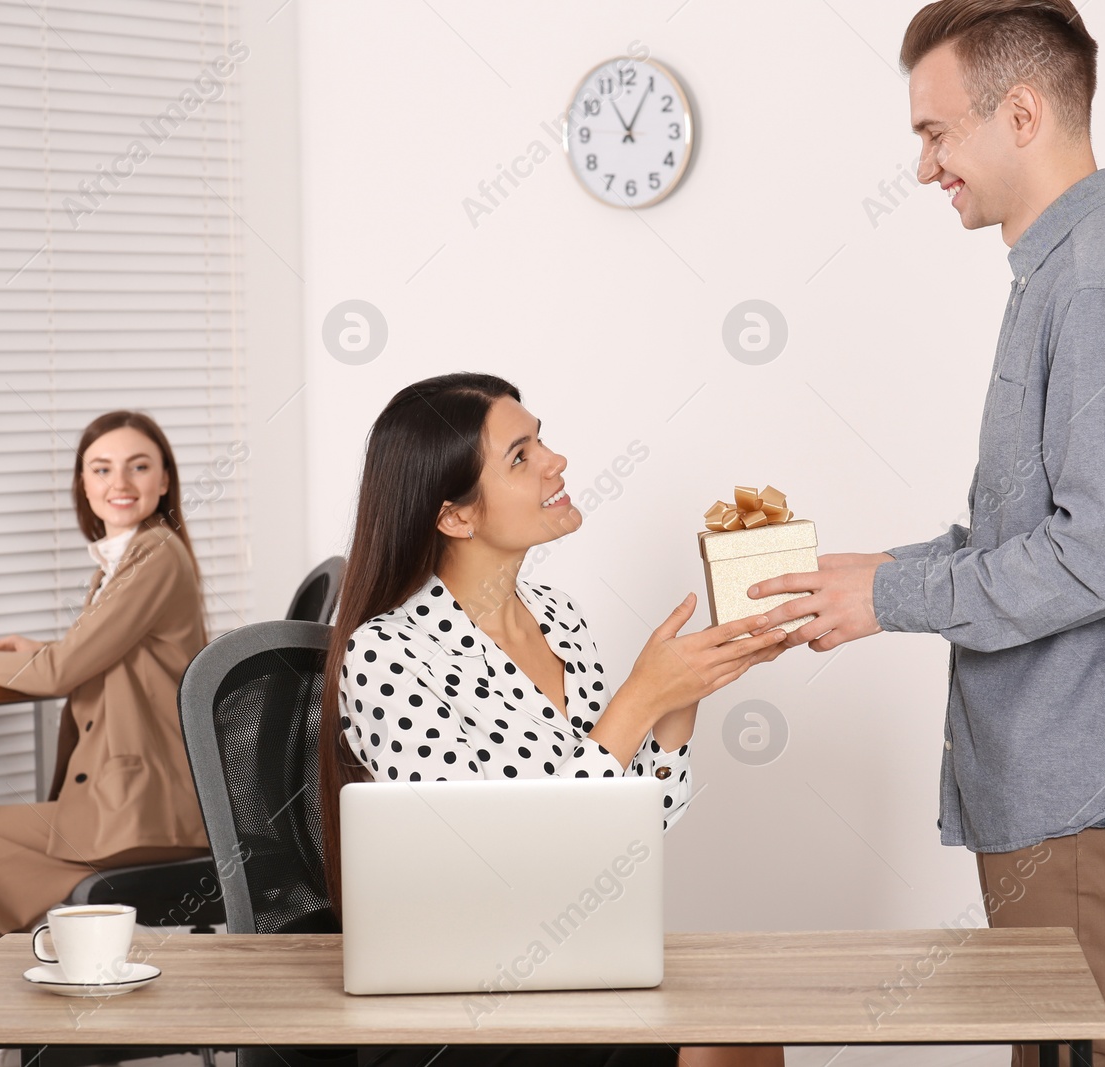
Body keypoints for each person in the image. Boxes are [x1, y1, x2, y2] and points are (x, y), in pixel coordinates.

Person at [751, 3, 1105, 1065]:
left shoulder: (1100, 287)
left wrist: (891, 599)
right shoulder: (1061, 277)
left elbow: (1101, 556)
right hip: (1061, 799)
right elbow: (1032, 532)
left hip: (1086, 798)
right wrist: (880, 570)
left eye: (935, 133)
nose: (926, 166)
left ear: (1018, 114)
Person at [320, 372, 787, 1067]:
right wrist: (635, 702)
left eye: (541, 439)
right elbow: (491, 875)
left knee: (746, 1018)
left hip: (570, 960)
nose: (555, 461)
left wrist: (675, 707)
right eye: (520, 455)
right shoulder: (389, 654)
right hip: (465, 998)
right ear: (456, 516)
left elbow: (626, 830)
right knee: (720, 1042)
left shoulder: (559, 616)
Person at [0, 410, 212, 1067]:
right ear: (84, 487)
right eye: (101, 468)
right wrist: (40, 648)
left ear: (165, 480)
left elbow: (63, 671)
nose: (119, 481)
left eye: (138, 465)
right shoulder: (123, 563)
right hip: (133, 799)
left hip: (148, 809)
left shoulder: (155, 555)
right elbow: (99, 657)